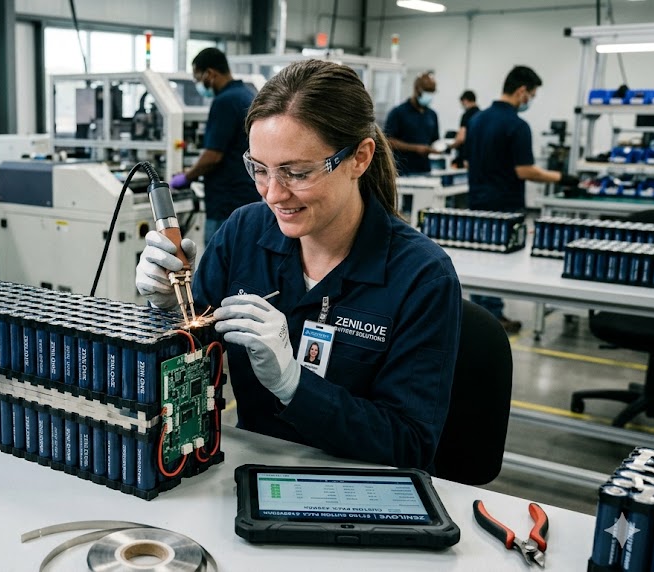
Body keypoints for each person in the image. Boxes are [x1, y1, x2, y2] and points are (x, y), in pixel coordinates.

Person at [137, 60, 462, 472]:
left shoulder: (421, 276)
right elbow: (188, 358)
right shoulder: (244, 232)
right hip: (248, 470)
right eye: (260, 169)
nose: (274, 194)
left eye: (296, 172)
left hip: (358, 493)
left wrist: (294, 385)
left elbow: (410, 446)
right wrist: (166, 307)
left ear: (359, 158)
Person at [465, 66, 578, 332]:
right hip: (503, 204)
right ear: (521, 91)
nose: (531, 101)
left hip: (477, 199)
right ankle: (492, 319)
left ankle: (478, 317)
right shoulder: (517, 125)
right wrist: (562, 178)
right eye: (532, 95)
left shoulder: (476, 120)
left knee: (479, 259)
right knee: (496, 264)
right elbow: (525, 170)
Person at [170, 48, 259, 245]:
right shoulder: (246, 94)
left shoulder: (224, 102)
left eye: (197, 78)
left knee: (219, 265)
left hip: (225, 203)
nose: (198, 84)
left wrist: (185, 178)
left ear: (209, 73)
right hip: (247, 195)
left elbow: (213, 156)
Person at [384, 71, 440, 175]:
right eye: (427, 91)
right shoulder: (398, 112)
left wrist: (437, 148)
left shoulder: (432, 115)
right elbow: (388, 141)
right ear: (417, 90)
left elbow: (434, 140)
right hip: (402, 171)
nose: (429, 96)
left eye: (432, 92)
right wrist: (415, 148)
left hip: (425, 170)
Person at [451, 90, 480, 168]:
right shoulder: (481, 115)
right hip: (478, 156)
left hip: (466, 157)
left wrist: (450, 146)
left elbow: (461, 138)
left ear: (465, 100)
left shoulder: (467, 115)